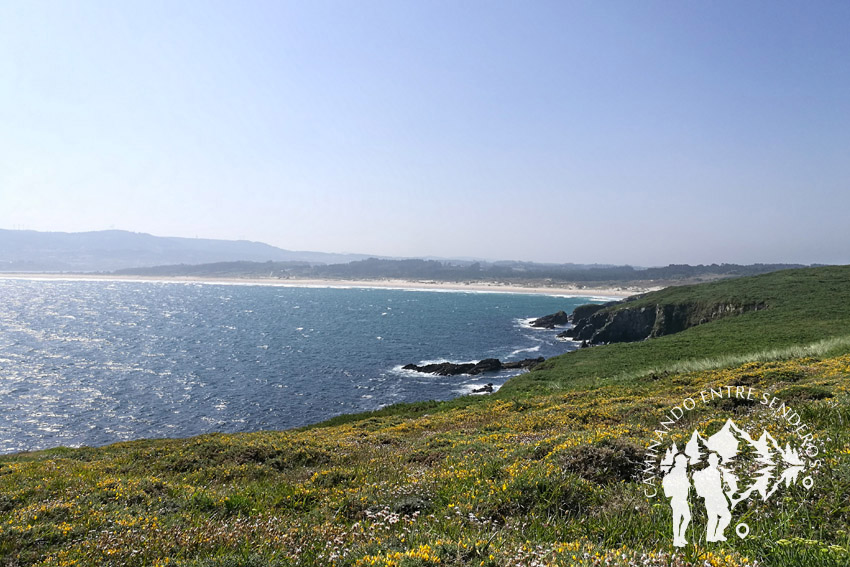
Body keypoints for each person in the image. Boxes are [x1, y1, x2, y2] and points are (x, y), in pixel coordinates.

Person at [692, 452, 732, 542]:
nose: (715, 462)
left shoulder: (715, 472)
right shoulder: (709, 472)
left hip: (715, 497)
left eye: (716, 460)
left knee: (720, 517)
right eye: (713, 460)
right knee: (718, 517)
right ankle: (713, 537)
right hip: (712, 498)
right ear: (709, 461)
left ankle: (714, 536)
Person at [662, 453, 691, 547]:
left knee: (686, 518)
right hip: (678, 499)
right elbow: (676, 485)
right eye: (685, 462)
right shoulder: (675, 471)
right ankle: (677, 540)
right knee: (677, 519)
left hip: (682, 499)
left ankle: (680, 537)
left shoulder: (682, 472)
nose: (686, 463)